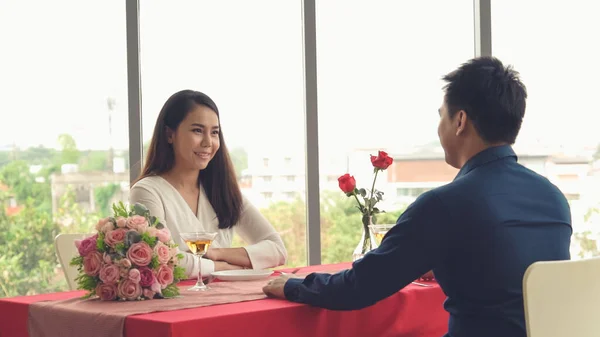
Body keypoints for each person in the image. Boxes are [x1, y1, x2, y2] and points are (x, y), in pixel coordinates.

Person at [263, 57, 572, 337]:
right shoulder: (554, 198)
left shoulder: (444, 205)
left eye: (442, 116)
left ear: (460, 121)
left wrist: (294, 286)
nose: (440, 128)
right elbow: (508, 275)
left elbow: (360, 287)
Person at [131, 90, 287, 279]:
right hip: (176, 305)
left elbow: (277, 249)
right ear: (169, 134)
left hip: (228, 300)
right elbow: (163, 260)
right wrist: (222, 267)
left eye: (214, 133)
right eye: (197, 130)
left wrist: (217, 253)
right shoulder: (147, 191)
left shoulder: (223, 191)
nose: (208, 142)